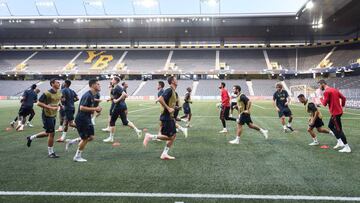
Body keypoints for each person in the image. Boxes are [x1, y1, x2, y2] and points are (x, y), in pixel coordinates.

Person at [65, 79, 102, 162]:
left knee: (91, 137)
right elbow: (82, 108)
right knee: (85, 138)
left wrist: (96, 110)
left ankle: (71, 141)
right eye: (98, 84)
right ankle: (77, 157)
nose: (99, 85)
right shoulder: (88, 95)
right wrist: (95, 108)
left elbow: (89, 108)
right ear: (92, 85)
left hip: (87, 118)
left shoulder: (93, 95)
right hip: (82, 119)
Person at [143, 76, 179, 160]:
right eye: (176, 79)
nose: (177, 80)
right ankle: (150, 136)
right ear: (173, 81)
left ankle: (164, 154)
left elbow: (169, 103)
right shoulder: (169, 90)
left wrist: (175, 108)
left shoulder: (173, 91)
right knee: (169, 136)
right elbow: (160, 99)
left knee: (173, 135)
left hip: (170, 116)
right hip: (166, 117)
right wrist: (168, 108)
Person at [26, 79, 62, 158]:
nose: (59, 83)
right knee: (52, 134)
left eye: (59, 82)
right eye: (57, 82)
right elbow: (39, 103)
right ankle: (50, 153)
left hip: (53, 115)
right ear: (52, 84)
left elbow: (57, 101)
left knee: (47, 133)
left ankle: (31, 137)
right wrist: (49, 107)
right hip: (47, 115)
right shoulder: (47, 93)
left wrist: (60, 106)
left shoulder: (59, 92)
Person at [103, 77, 142, 143]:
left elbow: (125, 95)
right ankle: (137, 130)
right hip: (121, 106)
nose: (111, 80)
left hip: (118, 106)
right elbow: (113, 97)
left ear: (115, 81)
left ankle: (111, 138)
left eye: (112, 79)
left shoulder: (118, 87)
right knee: (125, 121)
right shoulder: (114, 88)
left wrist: (117, 100)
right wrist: (110, 98)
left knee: (112, 121)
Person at [318, 80, 351, 153]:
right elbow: (343, 98)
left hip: (335, 113)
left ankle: (347, 147)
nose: (319, 87)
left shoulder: (326, 92)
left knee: (339, 130)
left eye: (319, 85)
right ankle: (339, 142)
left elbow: (324, 104)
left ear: (322, 84)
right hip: (337, 112)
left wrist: (320, 97)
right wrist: (342, 106)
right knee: (330, 125)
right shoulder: (334, 89)